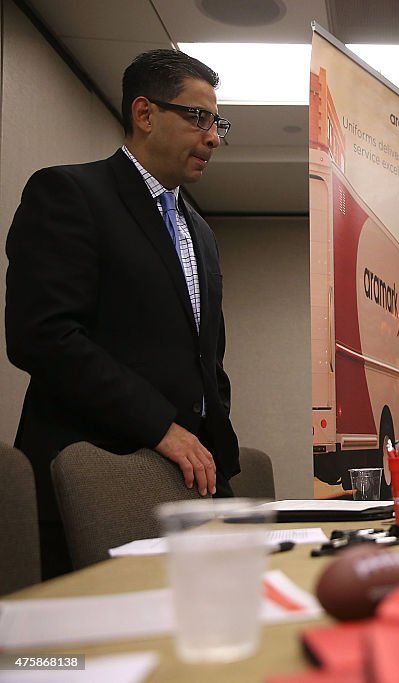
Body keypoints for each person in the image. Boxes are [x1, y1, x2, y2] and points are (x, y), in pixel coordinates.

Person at [5, 49, 239, 578]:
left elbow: (207, 360)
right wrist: (163, 426)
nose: (214, 137)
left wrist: (212, 446)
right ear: (145, 113)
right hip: (94, 479)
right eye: (198, 117)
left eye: (217, 122)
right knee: (89, 655)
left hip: (189, 484)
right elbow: (42, 336)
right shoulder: (69, 193)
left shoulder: (200, 231)